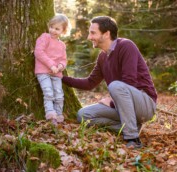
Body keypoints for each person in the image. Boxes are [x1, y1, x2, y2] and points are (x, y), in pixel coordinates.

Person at [62, 16, 157, 148]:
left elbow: (129, 82)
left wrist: (111, 102)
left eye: (93, 33)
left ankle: (133, 138)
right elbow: (90, 83)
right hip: (122, 106)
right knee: (83, 115)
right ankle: (130, 126)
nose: (89, 37)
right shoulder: (102, 56)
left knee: (115, 85)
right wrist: (61, 78)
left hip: (144, 104)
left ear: (106, 34)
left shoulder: (126, 46)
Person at [34, 13, 71, 125]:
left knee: (59, 94)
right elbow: (39, 52)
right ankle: (51, 115)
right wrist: (51, 65)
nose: (53, 30)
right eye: (51, 27)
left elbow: (64, 60)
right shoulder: (44, 37)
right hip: (43, 72)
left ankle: (59, 115)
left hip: (56, 74)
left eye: (57, 29)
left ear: (63, 31)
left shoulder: (62, 45)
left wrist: (60, 66)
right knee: (48, 92)